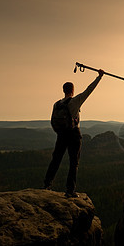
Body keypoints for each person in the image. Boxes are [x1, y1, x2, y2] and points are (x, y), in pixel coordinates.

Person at [44, 69, 104, 198]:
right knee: (73, 162)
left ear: (63, 90)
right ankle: (70, 190)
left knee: (56, 160)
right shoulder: (74, 101)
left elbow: (52, 120)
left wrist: (59, 132)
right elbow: (89, 90)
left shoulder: (57, 104)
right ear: (72, 90)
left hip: (61, 135)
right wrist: (99, 77)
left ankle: (47, 185)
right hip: (73, 134)